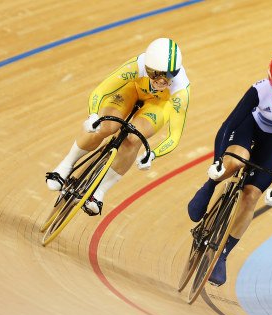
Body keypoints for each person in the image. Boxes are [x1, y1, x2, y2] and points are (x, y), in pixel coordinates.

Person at [187, 51, 272, 286]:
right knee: (235, 162)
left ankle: (223, 255)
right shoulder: (260, 90)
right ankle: (209, 187)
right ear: (271, 80)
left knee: (251, 197)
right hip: (250, 129)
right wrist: (217, 162)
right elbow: (229, 125)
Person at [45, 38, 190, 215]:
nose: (161, 82)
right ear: (148, 68)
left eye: (167, 77)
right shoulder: (137, 66)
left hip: (158, 106)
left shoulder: (180, 92)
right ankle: (66, 165)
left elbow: (174, 136)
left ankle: (99, 193)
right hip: (131, 90)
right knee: (106, 125)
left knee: (133, 138)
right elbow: (101, 91)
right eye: (155, 75)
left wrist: (152, 154)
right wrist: (93, 116)